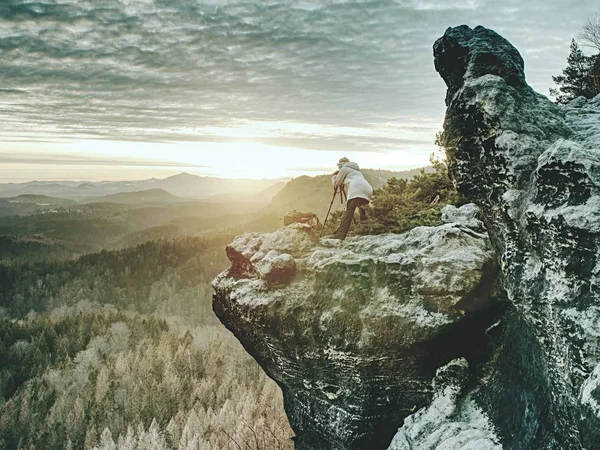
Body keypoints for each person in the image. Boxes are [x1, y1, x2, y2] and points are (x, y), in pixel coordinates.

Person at [328, 157, 373, 240]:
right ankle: (365, 231)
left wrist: (334, 176)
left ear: (341, 164)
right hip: (367, 189)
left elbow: (336, 183)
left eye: (339, 166)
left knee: (348, 211)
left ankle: (340, 235)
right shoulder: (356, 170)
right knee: (363, 210)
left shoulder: (344, 168)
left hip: (356, 190)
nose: (339, 168)